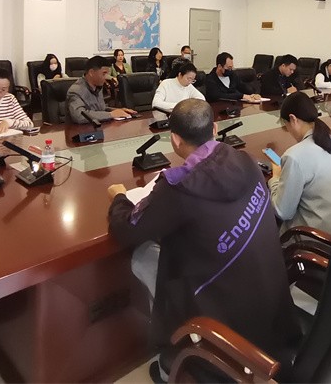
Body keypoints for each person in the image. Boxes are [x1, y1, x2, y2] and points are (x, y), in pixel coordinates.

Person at [106, 99, 298, 380]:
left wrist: (120, 198)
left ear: (174, 139)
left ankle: (172, 352)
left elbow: (127, 229)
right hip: (272, 309)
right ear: (215, 129)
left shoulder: (179, 187)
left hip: (225, 320)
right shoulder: (245, 160)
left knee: (142, 254)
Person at [269, 92, 331, 235]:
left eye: (286, 125)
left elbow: (283, 212)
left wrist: (275, 179)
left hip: (318, 239)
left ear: (293, 119)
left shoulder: (294, 156)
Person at [66, 55, 138, 124]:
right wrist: (111, 114)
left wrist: (117, 110)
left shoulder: (98, 86)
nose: (106, 77)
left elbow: (100, 109)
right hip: (79, 131)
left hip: (98, 128)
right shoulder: (75, 91)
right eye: (104, 73)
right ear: (91, 73)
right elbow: (79, 116)